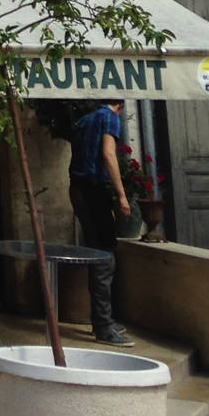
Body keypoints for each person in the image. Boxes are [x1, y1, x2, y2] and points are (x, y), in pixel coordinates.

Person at [67, 96, 133, 345]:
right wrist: (121, 195)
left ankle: (104, 320)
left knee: (97, 254)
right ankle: (104, 327)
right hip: (94, 190)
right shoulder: (109, 117)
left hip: (78, 190)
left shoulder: (84, 120)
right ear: (121, 104)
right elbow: (108, 154)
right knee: (104, 259)